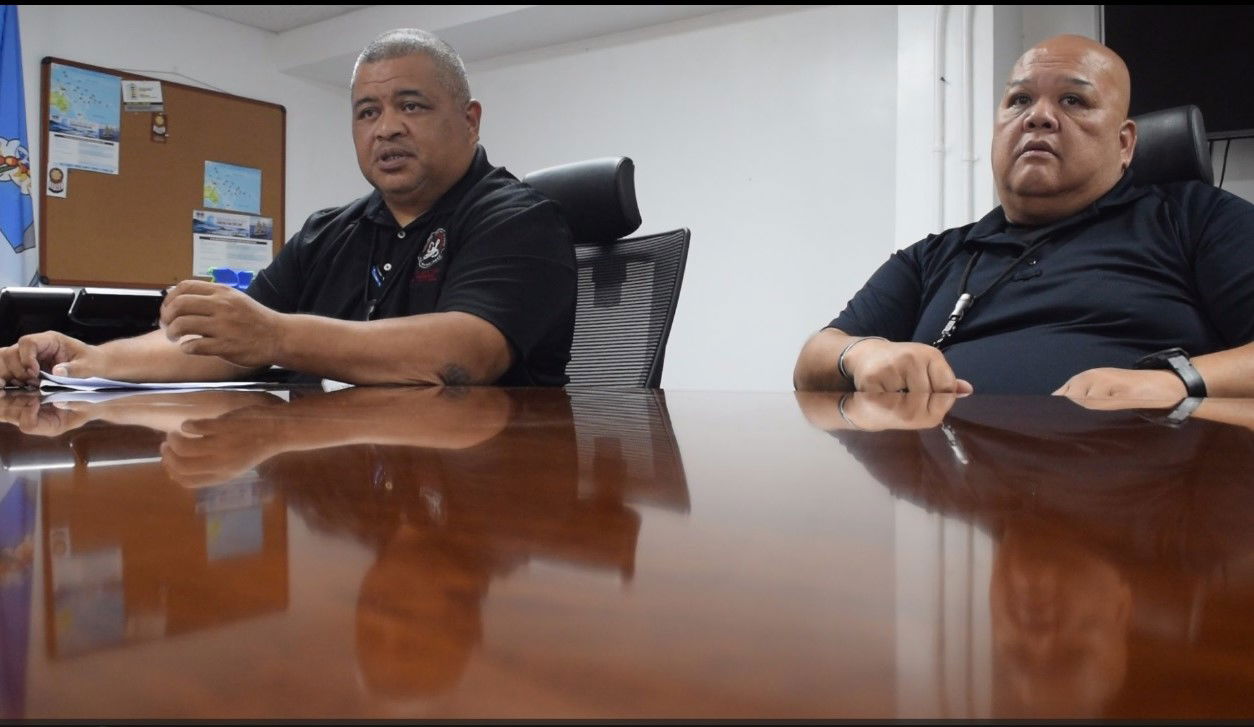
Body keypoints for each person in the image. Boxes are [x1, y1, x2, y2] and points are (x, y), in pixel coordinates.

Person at [0, 29, 575, 387]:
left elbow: (461, 358)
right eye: (368, 112)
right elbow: (226, 343)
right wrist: (88, 362)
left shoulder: (519, 220)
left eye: (412, 105)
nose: (388, 128)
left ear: (469, 120)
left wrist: (277, 337)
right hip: (346, 483)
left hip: (482, 497)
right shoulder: (329, 234)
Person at [794, 35, 1254, 398]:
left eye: (1074, 100)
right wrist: (862, 353)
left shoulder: (1194, 217)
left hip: (1134, 496)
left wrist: (1178, 380)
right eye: (1018, 101)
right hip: (952, 499)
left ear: (1125, 143)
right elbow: (814, 359)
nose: (1039, 117)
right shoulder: (936, 255)